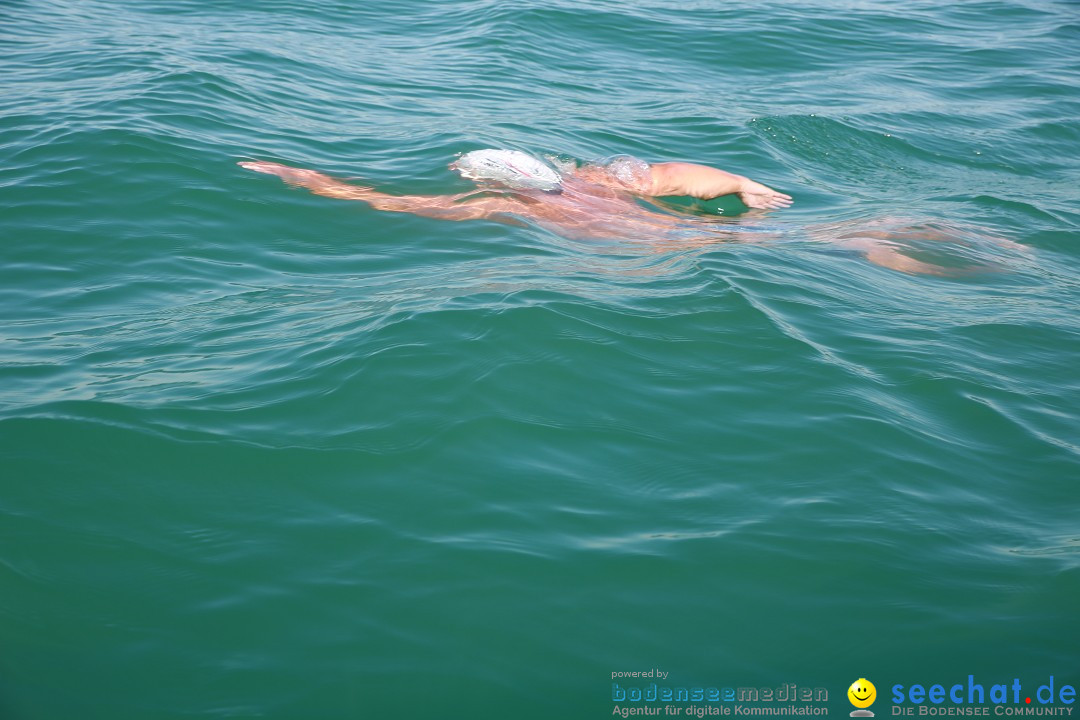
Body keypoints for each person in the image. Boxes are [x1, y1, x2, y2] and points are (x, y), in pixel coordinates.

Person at [237, 150, 976, 275]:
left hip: (677, 255)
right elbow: (670, 172)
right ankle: (947, 230)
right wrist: (743, 184)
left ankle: (916, 255)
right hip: (691, 230)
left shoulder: (505, 209)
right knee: (829, 232)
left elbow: (379, 199)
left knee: (839, 250)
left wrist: (294, 174)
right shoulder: (596, 175)